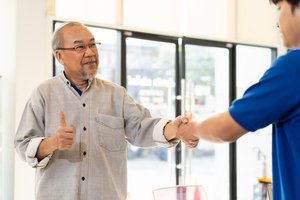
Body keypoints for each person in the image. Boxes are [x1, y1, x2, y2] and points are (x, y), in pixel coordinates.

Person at [14, 22, 197, 200]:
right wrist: (52, 142)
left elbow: (143, 128)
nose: (90, 52)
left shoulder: (116, 94)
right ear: (60, 56)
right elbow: (23, 145)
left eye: (93, 44)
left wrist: (175, 128)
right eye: (80, 47)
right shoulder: (44, 94)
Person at [178, 0, 300, 199]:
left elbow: (225, 128)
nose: (277, 22)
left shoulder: (293, 68)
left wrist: (191, 127)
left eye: (279, 8)